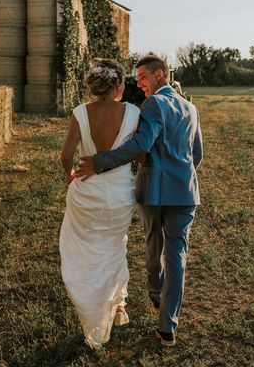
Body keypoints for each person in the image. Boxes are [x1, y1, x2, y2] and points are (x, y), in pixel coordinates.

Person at [76, 55, 203, 347]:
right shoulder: (192, 108)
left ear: (159, 75)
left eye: (143, 76)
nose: (139, 83)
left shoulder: (154, 104)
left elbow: (141, 145)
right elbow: (197, 155)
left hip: (155, 191)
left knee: (152, 247)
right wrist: (180, 174)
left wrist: (100, 162)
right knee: (177, 258)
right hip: (185, 193)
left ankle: (157, 294)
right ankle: (167, 326)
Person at [59, 59, 140, 349]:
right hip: (118, 195)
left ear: (93, 84)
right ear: (118, 83)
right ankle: (117, 306)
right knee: (115, 245)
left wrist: (69, 177)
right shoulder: (132, 112)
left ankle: (96, 303)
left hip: (86, 194)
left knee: (86, 252)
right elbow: (139, 154)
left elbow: (66, 154)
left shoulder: (80, 113)